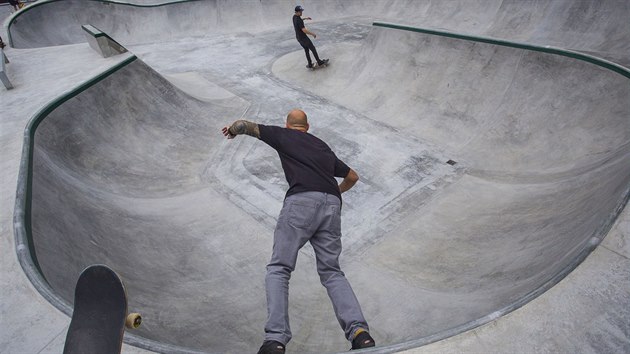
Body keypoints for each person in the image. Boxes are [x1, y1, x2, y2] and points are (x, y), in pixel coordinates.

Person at [221, 110, 375, 354]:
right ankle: (359, 333)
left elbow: (242, 125)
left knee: (279, 268)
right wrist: (331, 194)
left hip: (301, 202)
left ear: (288, 124)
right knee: (332, 272)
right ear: (307, 126)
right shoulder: (321, 146)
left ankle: (276, 339)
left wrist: (231, 130)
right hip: (331, 206)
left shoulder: (282, 135)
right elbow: (352, 176)